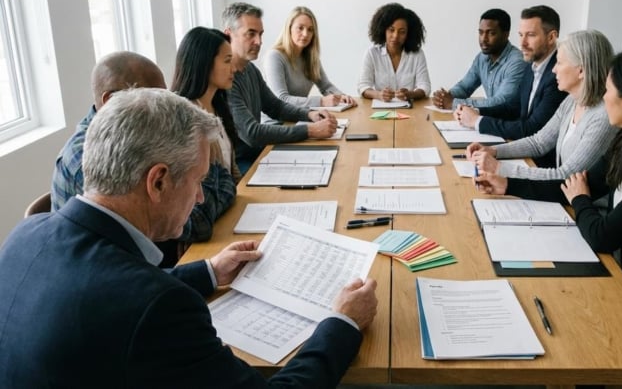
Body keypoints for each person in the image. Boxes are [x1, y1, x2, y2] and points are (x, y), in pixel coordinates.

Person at [0, 88, 378, 387]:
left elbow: (105, 290)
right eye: (197, 180)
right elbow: (134, 302)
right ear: (158, 181)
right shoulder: (159, 309)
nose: (200, 197)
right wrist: (341, 323)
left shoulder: (24, 236)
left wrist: (211, 271)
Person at [476, 45, 622, 334]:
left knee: (554, 313)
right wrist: (509, 185)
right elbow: (573, 184)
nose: (603, 98)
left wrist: (580, 198)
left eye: (608, 90)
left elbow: (602, 235)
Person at [466, 30, 618, 180]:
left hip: (579, 203)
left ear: (581, 71)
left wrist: (499, 168)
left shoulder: (603, 117)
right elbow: (539, 142)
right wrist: (493, 151)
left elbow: (565, 175)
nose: (553, 69)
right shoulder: (572, 101)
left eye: (559, 62)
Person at [222, 2, 338, 174]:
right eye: (251, 34)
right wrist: (310, 130)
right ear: (229, 35)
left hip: (260, 151)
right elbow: (252, 133)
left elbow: (275, 106)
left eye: (260, 34)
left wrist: (309, 114)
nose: (259, 41)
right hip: (241, 163)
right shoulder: (226, 77)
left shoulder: (250, 70)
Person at [51, 51, 166, 211]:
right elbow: (154, 218)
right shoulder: (85, 158)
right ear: (112, 102)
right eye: (155, 100)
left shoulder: (130, 134)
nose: (165, 110)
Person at [454, 5, 567, 168]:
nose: (522, 43)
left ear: (551, 37)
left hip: (541, 164)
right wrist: (476, 112)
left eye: (531, 35)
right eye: (521, 35)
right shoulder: (532, 64)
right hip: (524, 152)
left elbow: (532, 129)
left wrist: (478, 121)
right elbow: (513, 107)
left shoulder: (558, 74)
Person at [170, 26, 240, 259]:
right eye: (227, 61)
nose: (234, 68)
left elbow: (229, 176)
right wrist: (229, 188)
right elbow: (202, 204)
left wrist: (232, 189)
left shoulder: (217, 104)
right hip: (203, 241)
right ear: (204, 63)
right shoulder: (184, 118)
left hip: (229, 216)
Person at [432, 8, 527, 110]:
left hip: (511, 122)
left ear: (506, 34)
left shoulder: (517, 62)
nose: (483, 39)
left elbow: (501, 102)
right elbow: (464, 87)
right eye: (481, 33)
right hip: (491, 119)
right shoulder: (482, 58)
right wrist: (445, 96)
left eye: (491, 33)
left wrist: (454, 103)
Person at [264, 6, 357, 108]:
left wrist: (342, 97)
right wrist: (321, 102)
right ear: (289, 28)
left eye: (310, 30)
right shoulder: (274, 56)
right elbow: (281, 99)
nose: (305, 34)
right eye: (300, 28)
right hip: (277, 122)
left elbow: (326, 86)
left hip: (297, 117)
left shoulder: (311, 58)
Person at [357, 2, 431, 102]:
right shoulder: (372, 53)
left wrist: (410, 94)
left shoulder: (417, 54)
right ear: (383, 30)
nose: (395, 36)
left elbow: (425, 87)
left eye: (402, 32)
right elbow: (363, 86)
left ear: (408, 34)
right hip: (380, 110)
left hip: (410, 110)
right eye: (391, 30)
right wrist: (379, 95)